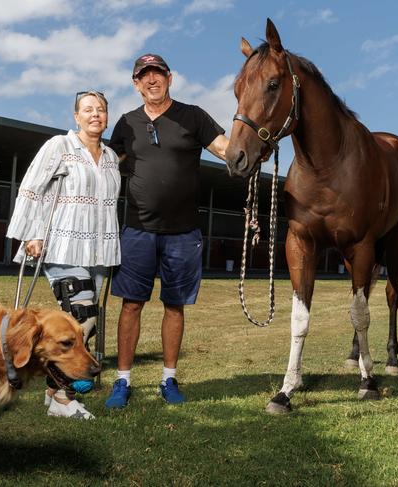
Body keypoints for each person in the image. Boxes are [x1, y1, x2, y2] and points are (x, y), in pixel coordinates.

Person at [105, 54, 228, 408]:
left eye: (157, 74)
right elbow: (107, 166)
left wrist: (250, 151)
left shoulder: (193, 116)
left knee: (175, 306)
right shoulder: (126, 124)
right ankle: (122, 381)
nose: (151, 80)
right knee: (131, 305)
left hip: (183, 233)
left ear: (170, 78)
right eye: (144, 76)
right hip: (138, 230)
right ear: (136, 84)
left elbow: (225, 149)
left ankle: (168, 379)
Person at [7, 90, 120, 419]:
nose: (95, 114)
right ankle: (63, 401)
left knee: (86, 326)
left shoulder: (111, 156)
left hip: (99, 249)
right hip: (61, 243)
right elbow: (31, 187)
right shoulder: (59, 145)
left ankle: (53, 390)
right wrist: (32, 233)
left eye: (100, 109)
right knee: (82, 319)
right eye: (88, 110)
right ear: (76, 117)